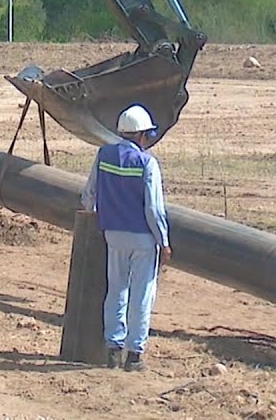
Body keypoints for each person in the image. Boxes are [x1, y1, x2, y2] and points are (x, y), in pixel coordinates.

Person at [80, 104, 172, 372]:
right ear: (142, 135)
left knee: (116, 290)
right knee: (141, 294)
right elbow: (154, 209)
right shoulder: (147, 163)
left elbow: (89, 195)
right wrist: (164, 242)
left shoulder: (104, 155)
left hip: (113, 235)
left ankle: (113, 350)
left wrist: (95, 217)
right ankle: (134, 355)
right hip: (143, 239)